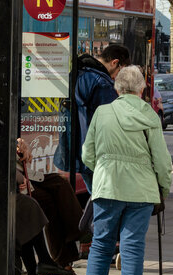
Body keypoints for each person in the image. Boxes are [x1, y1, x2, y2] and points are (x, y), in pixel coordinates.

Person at [0, 79, 72, 275]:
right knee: (25, 207)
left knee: (29, 205)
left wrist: (17, 144)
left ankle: (41, 265)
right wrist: (16, 168)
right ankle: (41, 264)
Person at [80, 66, 172, 275]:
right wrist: (163, 189)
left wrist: (99, 175)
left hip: (108, 186)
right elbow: (162, 161)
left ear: (117, 88)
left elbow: (87, 155)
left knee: (100, 248)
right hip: (141, 190)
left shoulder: (102, 113)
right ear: (141, 89)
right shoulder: (151, 116)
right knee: (132, 251)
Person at [55, 44, 130, 192]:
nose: (119, 77)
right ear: (114, 62)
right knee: (102, 198)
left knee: (96, 196)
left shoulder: (79, 73)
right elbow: (110, 123)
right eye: (121, 71)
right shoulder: (102, 83)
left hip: (76, 148)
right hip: (95, 153)